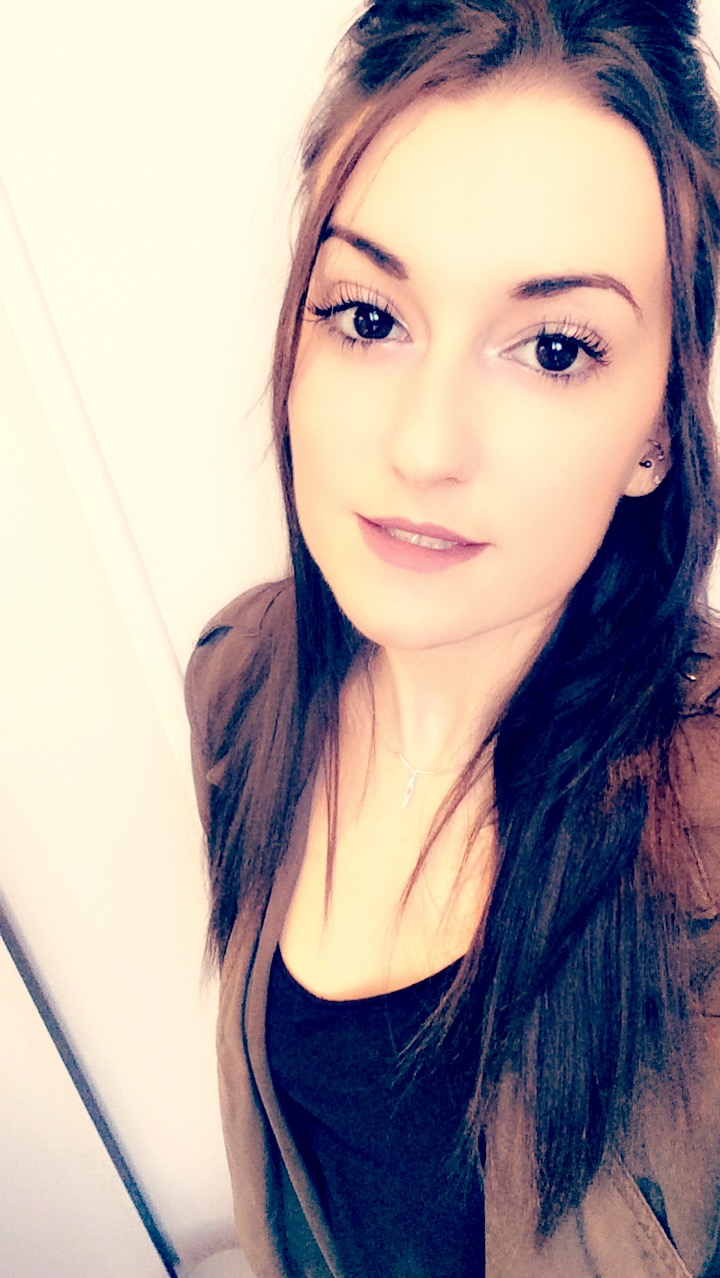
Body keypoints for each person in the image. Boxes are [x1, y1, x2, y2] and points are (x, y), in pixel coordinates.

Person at [184, 1, 720, 1274]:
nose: (426, 447)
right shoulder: (237, 686)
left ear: (658, 427)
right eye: (369, 317)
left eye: (553, 348)